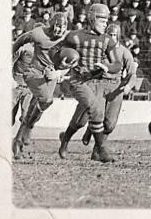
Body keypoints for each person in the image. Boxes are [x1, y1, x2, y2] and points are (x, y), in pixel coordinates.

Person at [59, 24, 138, 158]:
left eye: (114, 35)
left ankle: (97, 147)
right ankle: (72, 141)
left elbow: (132, 73)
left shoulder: (124, 52)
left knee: (110, 124)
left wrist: (129, 85)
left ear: (118, 36)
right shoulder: (100, 47)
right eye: (110, 34)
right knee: (84, 118)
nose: (112, 37)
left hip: (115, 86)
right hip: (98, 83)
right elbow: (82, 60)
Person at [57, 4, 121, 163]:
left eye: (107, 20)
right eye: (102, 20)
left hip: (97, 82)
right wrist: (62, 64)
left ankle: (64, 140)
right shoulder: (74, 36)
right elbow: (57, 53)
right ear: (92, 19)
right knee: (96, 110)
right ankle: (102, 150)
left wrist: (107, 67)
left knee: (80, 120)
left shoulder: (107, 40)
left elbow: (118, 64)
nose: (105, 24)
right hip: (78, 80)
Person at [11, 12, 69, 158]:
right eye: (57, 26)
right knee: (46, 100)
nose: (59, 31)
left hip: (51, 75)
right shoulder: (38, 33)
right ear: (51, 25)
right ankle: (28, 128)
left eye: (62, 27)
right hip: (34, 72)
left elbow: (73, 60)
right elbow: (20, 40)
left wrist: (59, 74)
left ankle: (18, 139)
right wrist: (9, 55)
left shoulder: (69, 38)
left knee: (37, 106)